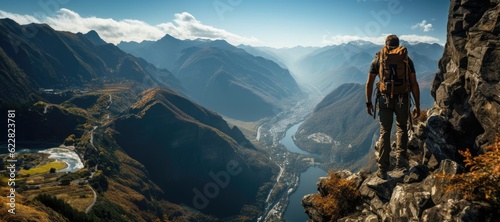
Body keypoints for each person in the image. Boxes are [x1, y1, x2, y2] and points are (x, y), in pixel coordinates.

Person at [365, 34, 420, 179]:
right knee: (402, 127)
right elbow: (414, 83)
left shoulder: (379, 59)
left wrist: (368, 102)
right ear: (399, 44)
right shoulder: (406, 60)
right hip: (403, 98)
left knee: (385, 131)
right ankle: (401, 164)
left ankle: (382, 169)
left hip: (384, 100)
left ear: (386, 44)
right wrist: (418, 105)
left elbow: (369, 83)